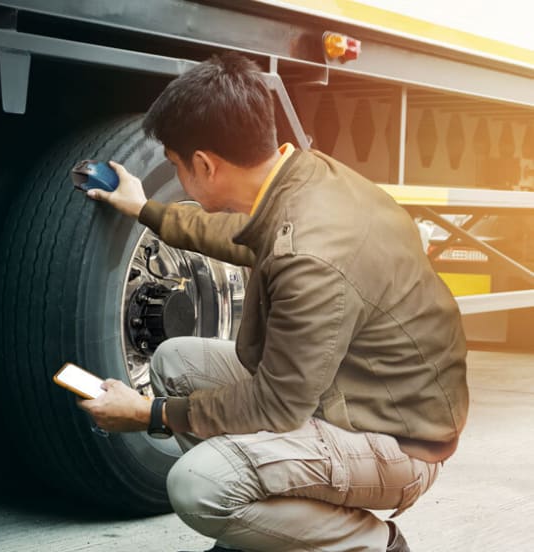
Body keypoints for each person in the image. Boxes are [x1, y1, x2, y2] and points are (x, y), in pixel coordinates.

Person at [77, 52, 468, 552]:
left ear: (204, 165)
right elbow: (241, 234)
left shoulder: (309, 255)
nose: (178, 173)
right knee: (175, 360)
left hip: (399, 441)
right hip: (354, 391)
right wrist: (146, 209)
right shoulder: (304, 176)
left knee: (197, 485)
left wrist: (147, 413)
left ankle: (371, 543)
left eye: (177, 165)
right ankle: (265, 531)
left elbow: (278, 404)